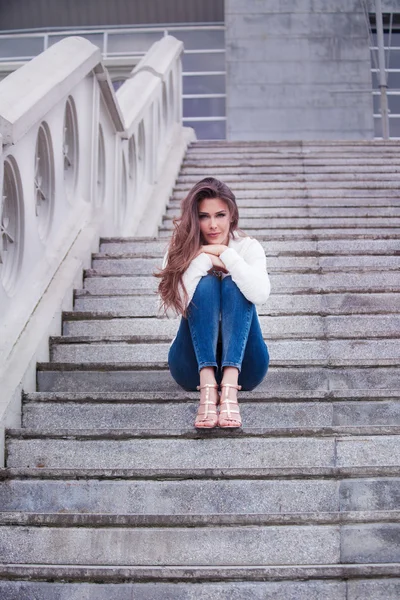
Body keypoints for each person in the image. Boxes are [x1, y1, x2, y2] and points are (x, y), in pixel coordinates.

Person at [156, 177, 270, 429]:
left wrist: (226, 255)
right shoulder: (180, 249)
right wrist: (203, 260)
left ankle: (229, 387)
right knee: (205, 284)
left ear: (232, 215)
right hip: (190, 369)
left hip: (247, 368)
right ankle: (208, 386)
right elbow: (174, 306)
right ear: (193, 218)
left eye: (220, 215)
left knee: (234, 284)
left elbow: (260, 294)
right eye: (203, 216)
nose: (213, 225)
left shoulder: (248, 247)